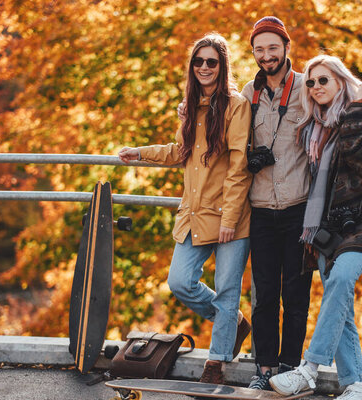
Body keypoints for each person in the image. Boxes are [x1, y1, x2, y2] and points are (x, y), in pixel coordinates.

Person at [241, 17, 362, 391]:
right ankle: (353, 385)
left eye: (272, 48)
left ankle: (305, 369)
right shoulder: (305, 116)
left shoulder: (347, 111)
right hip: (314, 220)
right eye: (259, 49)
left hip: (345, 219)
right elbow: (224, 122)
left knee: (324, 289)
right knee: (321, 297)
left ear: (285, 49)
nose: (314, 86)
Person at [118, 33, 252, 384]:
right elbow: (181, 153)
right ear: (192, 67)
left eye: (212, 62)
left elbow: (239, 165)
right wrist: (141, 152)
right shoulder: (190, 105)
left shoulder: (237, 105)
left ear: (222, 67)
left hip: (230, 217)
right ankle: (234, 322)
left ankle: (216, 363)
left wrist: (230, 217)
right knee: (179, 281)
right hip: (193, 213)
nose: (204, 67)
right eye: (199, 61)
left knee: (226, 289)